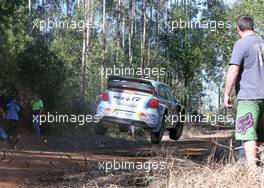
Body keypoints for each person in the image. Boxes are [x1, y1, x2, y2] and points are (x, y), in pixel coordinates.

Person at [224, 16, 264, 168]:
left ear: (238, 29)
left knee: (247, 133)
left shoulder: (241, 44)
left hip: (249, 96)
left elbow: (233, 70)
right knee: (260, 135)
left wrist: (226, 93)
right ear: (253, 27)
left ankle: (252, 171)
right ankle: (259, 169)